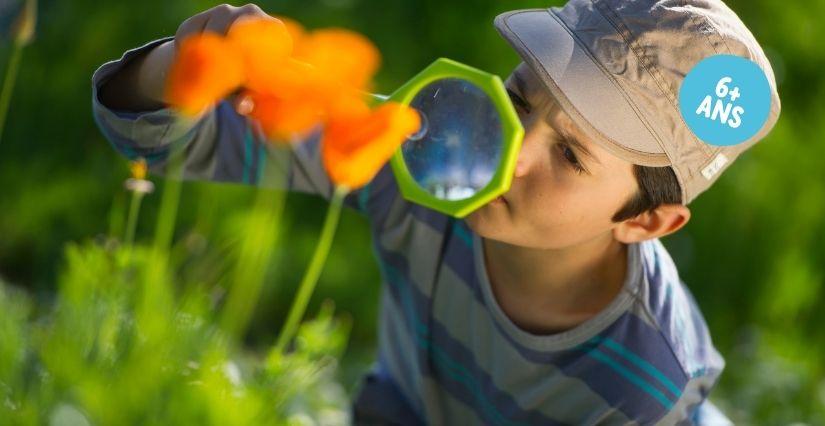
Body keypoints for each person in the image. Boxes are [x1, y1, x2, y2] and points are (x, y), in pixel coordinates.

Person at [91, 1, 780, 424]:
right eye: (517, 99)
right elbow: (155, 139)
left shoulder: (640, 386)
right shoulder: (420, 152)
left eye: (570, 157)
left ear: (644, 223)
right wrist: (183, 66)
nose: (507, 152)